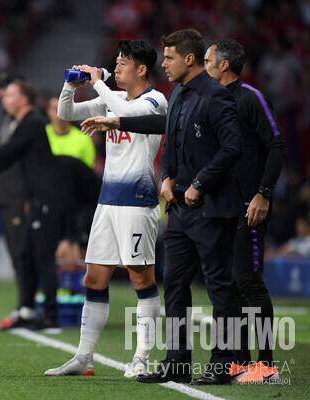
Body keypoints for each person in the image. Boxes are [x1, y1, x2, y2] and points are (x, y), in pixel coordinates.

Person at [82, 29, 243, 385]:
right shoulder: (180, 94)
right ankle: (177, 362)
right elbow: (170, 141)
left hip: (212, 205)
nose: (164, 64)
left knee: (219, 285)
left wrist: (200, 183)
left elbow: (232, 148)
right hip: (179, 206)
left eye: (169, 58)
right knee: (174, 285)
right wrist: (167, 177)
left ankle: (224, 362)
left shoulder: (216, 95)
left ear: (189, 59)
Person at [43, 39, 168, 378]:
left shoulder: (155, 100)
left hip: (138, 202)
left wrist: (98, 82)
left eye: (123, 63)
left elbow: (128, 116)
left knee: (141, 277)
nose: (116, 68)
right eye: (116, 62)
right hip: (107, 202)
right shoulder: (112, 99)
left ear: (141, 69)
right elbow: (66, 113)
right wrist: (71, 85)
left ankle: (141, 357)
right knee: (94, 277)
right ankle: (84, 357)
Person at [204, 38, 286, 383]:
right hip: (220, 208)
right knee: (229, 285)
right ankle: (238, 360)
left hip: (248, 205)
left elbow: (276, 144)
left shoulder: (250, 97)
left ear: (224, 65)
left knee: (249, 281)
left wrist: (262, 194)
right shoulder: (210, 99)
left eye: (207, 60)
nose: (203, 66)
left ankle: (266, 366)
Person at [0, 80, 70, 333]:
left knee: (43, 258)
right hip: (35, 199)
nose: (5, 99)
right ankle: (26, 311)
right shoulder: (24, 123)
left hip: (47, 198)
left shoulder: (32, 122)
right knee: (25, 255)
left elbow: (6, 155)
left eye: (10, 95)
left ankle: (51, 317)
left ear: (24, 99)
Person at [45, 96, 96, 168]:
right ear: (48, 112)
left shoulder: (84, 139)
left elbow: (89, 170)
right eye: (55, 110)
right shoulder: (41, 135)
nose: (60, 114)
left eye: (64, 109)